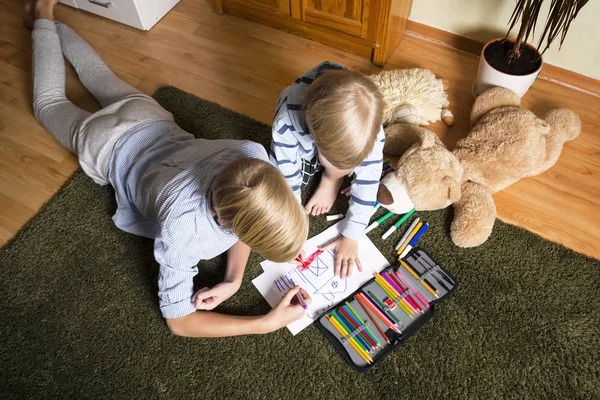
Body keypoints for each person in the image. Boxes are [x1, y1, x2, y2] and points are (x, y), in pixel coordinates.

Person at [26, 0, 311, 337]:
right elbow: (179, 322)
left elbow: (248, 205)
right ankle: (44, 20)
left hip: (146, 116)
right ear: (228, 225)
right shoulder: (183, 232)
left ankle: (46, 16)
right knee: (49, 104)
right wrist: (265, 324)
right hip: (104, 145)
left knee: (97, 75)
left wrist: (233, 280)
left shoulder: (251, 155)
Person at [270, 62, 385, 279]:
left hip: (327, 134)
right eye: (336, 164)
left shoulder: (370, 126)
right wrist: (292, 230)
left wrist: (351, 236)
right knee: (276, 183)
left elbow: (369, 181)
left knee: (359, 166)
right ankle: (332, 174)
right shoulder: (286, 123)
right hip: (301, 138)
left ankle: (332, 179)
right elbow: (286, 179)